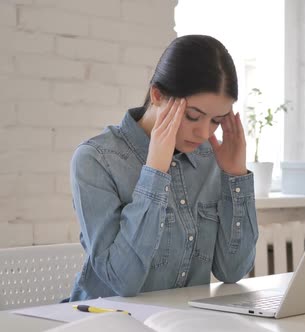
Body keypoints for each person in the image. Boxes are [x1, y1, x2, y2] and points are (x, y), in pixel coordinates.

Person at [68, 35, 258, 301]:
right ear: (157, 95)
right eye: (193, 116)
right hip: (103, 320)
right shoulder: (95, 159)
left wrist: (235, 176)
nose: (204, 132)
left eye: (216, 120)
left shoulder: (210, 159)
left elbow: (232, 271)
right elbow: (122, 282)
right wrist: (155, 173)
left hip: (180, 321)